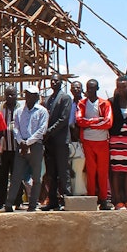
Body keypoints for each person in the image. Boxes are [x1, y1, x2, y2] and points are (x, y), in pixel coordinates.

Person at [7, 86, 48, 211]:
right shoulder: (19, 111)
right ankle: (9, 204)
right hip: (21, 145)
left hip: (35, 145)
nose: (28, 97)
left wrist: (28, 142)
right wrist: (21, 142)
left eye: (31, 95)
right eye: (27, 94)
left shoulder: (42, 111)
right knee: (16, 176)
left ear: (36, 97)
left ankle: (32, 204)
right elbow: (15, 128)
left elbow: (42, 130)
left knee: (36, 177)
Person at [75, 79, 114, 209]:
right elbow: (79, 121)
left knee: (102, 171)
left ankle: (103, 199)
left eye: (92, 88)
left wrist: (89, 124)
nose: (90, 91)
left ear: (97, 88)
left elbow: (108, 123)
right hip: (87, 141)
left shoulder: (105, 103)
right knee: (91, 171)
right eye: (88, 88)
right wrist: (97, 121)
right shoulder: (82, 103)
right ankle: (92, 197)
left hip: (102, 141)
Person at [108, 76, 127, 210]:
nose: (121, 89)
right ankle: (118, 201)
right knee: (116, 171)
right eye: (119, 87)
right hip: (116, 139)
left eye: (124, 87)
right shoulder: (111, 101)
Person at [43, 76, 73, 211]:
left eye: (57, 81)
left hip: (60, 140)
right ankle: (53, 201)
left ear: (62, 82)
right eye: (52, 81)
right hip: (50, 142)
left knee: (63, 172)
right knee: (51, 173)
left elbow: (64, 119)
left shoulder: (65, 98)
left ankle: (67, 201)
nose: (54, 82)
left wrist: (49, 131)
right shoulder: (49, 99)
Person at [0, 88, 19, 212]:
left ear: (16, 95)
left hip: (17, 148)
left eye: (12, 94)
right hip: (3, 149)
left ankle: (18, 201)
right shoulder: (0, 109)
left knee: (17, 175)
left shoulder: (21, 108)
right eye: (7, 94)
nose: (10, 97)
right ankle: (0, 203)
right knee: (2, 177)